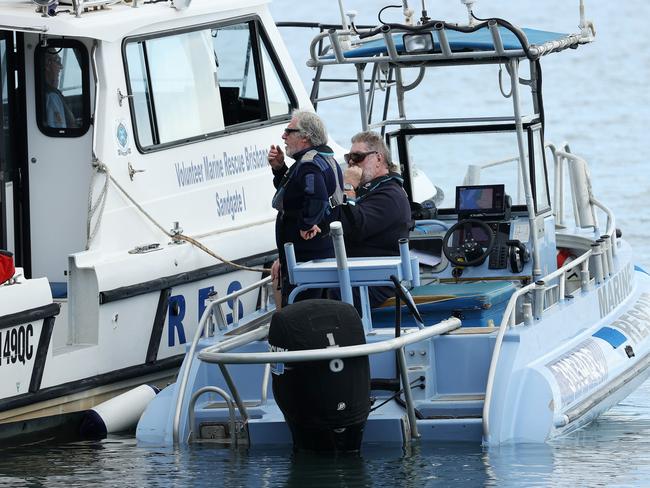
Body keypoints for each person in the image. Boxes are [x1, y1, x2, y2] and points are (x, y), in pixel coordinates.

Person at [268, 110, 344, 307]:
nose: (283, 136)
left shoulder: (309, 165)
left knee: (304, 309)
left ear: (305, 137)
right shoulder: (324, 159)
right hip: (320, 253)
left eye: (288, 131)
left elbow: (316, 196)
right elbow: (296, 194)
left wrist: (307, 223)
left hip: (307, 257)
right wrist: (280, 168)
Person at [338, 130, 412, 308]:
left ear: (378, 159)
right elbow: (334, 217)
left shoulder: (390, 195)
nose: (351, 162)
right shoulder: (367, 191)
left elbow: (353, 229)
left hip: (376, 281)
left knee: (314, 301)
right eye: (349, 157)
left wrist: (348, 188)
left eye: (357, 157)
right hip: (355, 273)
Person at [43, 49, 77, 129]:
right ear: (48, 64)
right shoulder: (52, 97)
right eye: (57, 60)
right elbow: (58, 131)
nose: (61, 66)